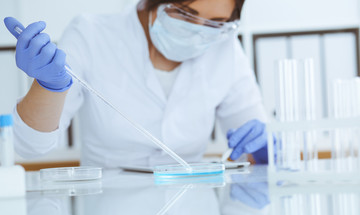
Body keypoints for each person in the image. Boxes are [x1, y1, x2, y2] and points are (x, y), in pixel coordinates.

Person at [4, 0, 269, 167]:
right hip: (112, 211)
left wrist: (266, 147)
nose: (200, 30)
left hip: (194, 211)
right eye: (186, 14)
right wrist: (47, 87)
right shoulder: (91, 34)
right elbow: (29, 147)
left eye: (216, 23)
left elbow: (255, 144)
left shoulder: (225, 48)